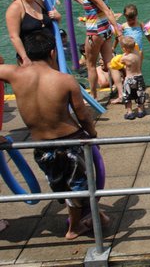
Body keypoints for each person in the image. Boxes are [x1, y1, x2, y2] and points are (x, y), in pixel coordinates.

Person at [0, 30, 109, 239]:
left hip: (42, 146)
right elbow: (83, 116)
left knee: (65, 186)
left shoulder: (14, 74)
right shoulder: (65, 80)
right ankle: (74, 228)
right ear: (52, 52)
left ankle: (90, 217)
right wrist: (93, 135)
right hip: (69, 141)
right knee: (78, 187)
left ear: (27, 54)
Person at [69, 0, 123, 100]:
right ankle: (122, 93)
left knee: (91, 65)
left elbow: (107, 11)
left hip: (95, 33)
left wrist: (119, 32)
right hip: (105, 31)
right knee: (110, 63)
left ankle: (93, 96)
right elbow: (92, 7)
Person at [5, 0, 60, 66]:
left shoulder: (40, 3)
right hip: (31, 58)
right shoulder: (15, 9)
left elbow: (52, 26)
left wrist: (58, 17)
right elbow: (14, 37)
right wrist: (25, 58)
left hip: (51, 56)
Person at [119, 36, 147, 119]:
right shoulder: (138, 53)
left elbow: (119, 62)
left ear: (124, 49)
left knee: (127, 96)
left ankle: (130, 112)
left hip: (129, 79)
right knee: (140, 94)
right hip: (139, 77)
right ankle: (140, 111)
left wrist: (123, 55)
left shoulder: (125, 58)